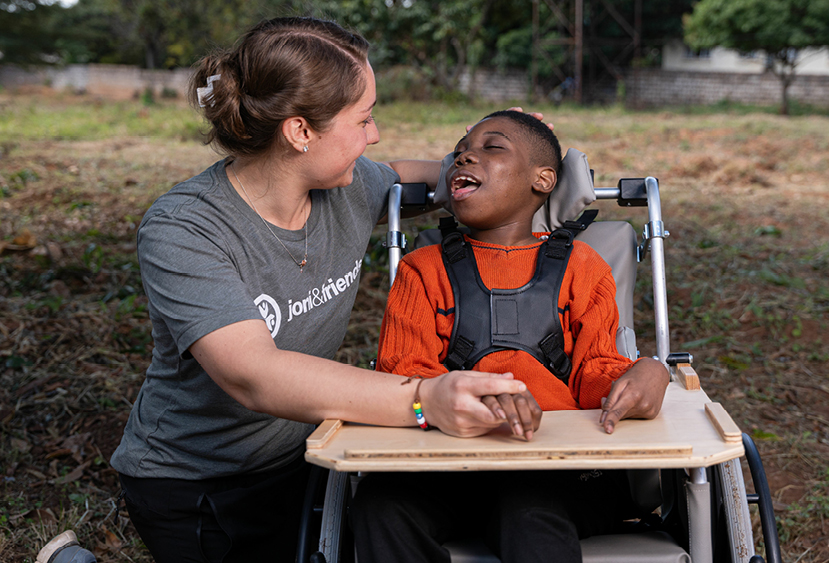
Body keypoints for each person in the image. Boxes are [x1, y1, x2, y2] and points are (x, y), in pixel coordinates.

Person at [105, 18, 536, 563]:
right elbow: (253, 375)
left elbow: (407, 176)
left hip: (302, 455)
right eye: (364, 118)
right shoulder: (186, 229)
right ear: (301, 131)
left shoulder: (346, 187)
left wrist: (507, 165)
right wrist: (425, 400)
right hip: (196, 482)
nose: (374, 135)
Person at [350, 111, 671, 563]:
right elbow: (403, 375)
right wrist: (473, 399)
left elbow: (597, 372)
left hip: (560, 470)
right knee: (380, 505)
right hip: (449, 463)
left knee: (527, 512)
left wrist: (646, 373)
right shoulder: (422, 269)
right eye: (462, 149)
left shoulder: (582, 267)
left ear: (543, 179)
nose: (465, 155)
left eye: (491, 147)